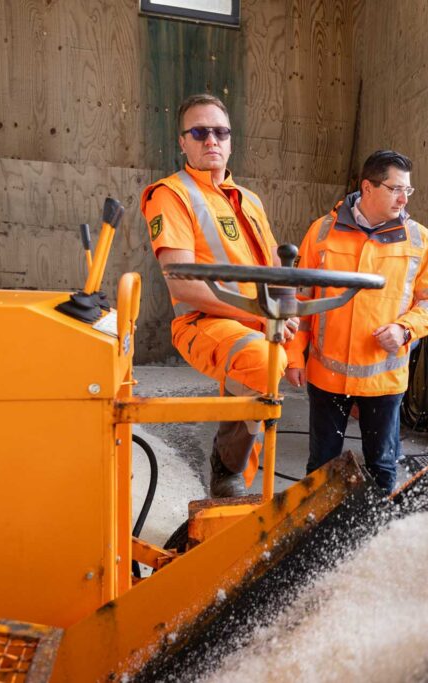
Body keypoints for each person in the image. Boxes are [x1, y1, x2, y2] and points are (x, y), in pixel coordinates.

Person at [141, 93, 293, 498]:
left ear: (230, 141)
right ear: (183, 142)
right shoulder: (170, 194)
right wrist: (264, 314)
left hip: (258, 323)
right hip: (203, 323)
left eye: (220, 132)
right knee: (261, 362)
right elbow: (182, 283)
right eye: (200, 132)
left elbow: (276, 270)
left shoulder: (250, 200)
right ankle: (226, 470)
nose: (212, 140)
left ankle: (246, 487)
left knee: (286, 362)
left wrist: (291, 316)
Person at [285, 150, 428, 491]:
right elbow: (299, 299)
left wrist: (405, 329)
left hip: (384, 378)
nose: (404, 198)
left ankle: (377, 536)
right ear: (367, 187)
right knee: (321, 467)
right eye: (395, 189)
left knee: (382, 466)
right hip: (326, 375)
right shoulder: (322, 232)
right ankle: (319, 536)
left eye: (408, 190)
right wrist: (292, 356)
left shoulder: (418, 239)